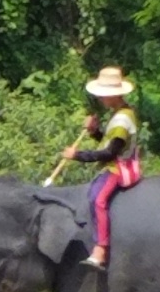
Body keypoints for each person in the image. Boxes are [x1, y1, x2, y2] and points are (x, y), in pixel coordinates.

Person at [60, 65, 141, 271]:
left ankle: (101, 249)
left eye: (104, 95)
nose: (100, 98)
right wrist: (95, 131)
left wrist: (77, 155)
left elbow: (110, 153)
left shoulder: (122, 119)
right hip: (113, 163)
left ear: (115, 95)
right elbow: (109, 142)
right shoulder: (118, 113)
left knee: (98, 199)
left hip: (120, 168)